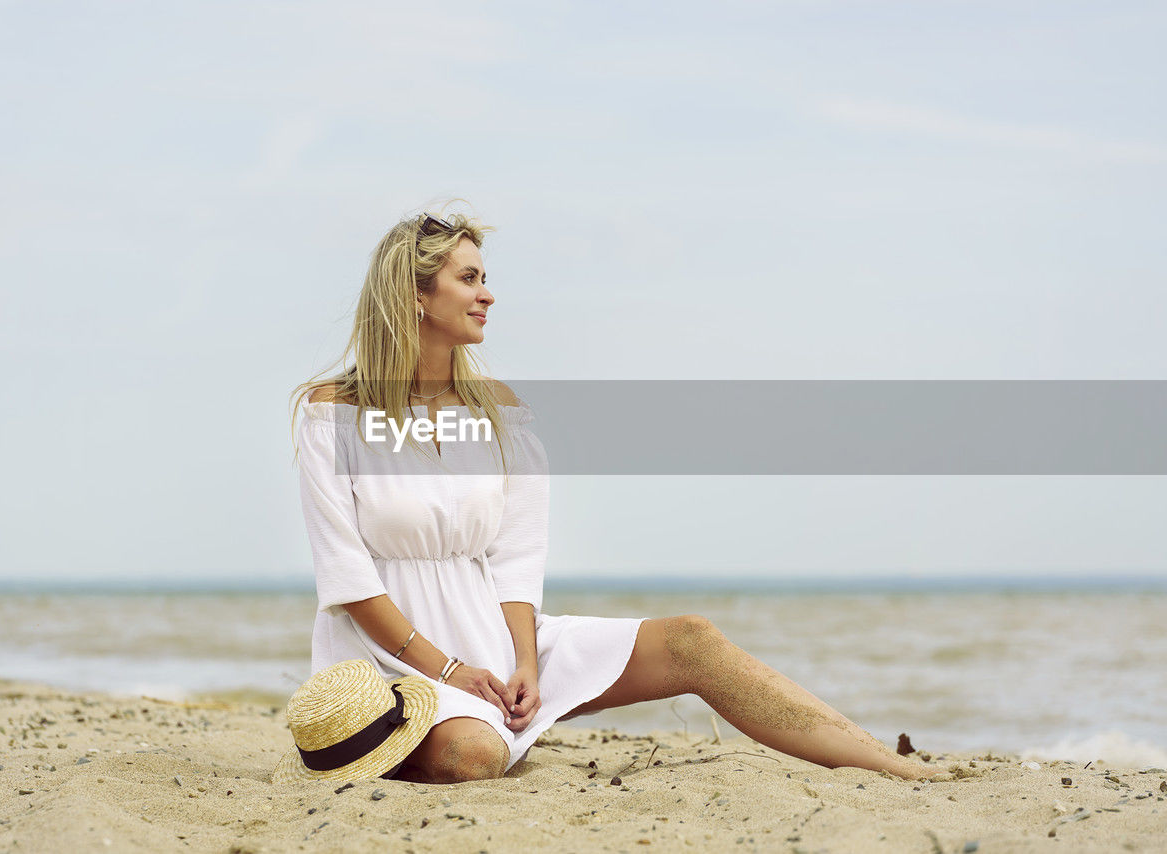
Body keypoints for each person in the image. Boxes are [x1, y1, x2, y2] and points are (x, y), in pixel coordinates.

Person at [288, 204, 937, 784]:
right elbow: (348, 575)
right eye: (469, 278)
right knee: (474, 757)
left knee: (692, 640)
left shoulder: (499, 413)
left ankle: (884, 762)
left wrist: (525, 664)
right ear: (416, 296)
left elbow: (516, 556)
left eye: (485, 277)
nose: (488, 295)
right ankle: (411, 734)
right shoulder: (332, 413)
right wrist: (449, 671)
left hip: (497, 640)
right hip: (391, 659)